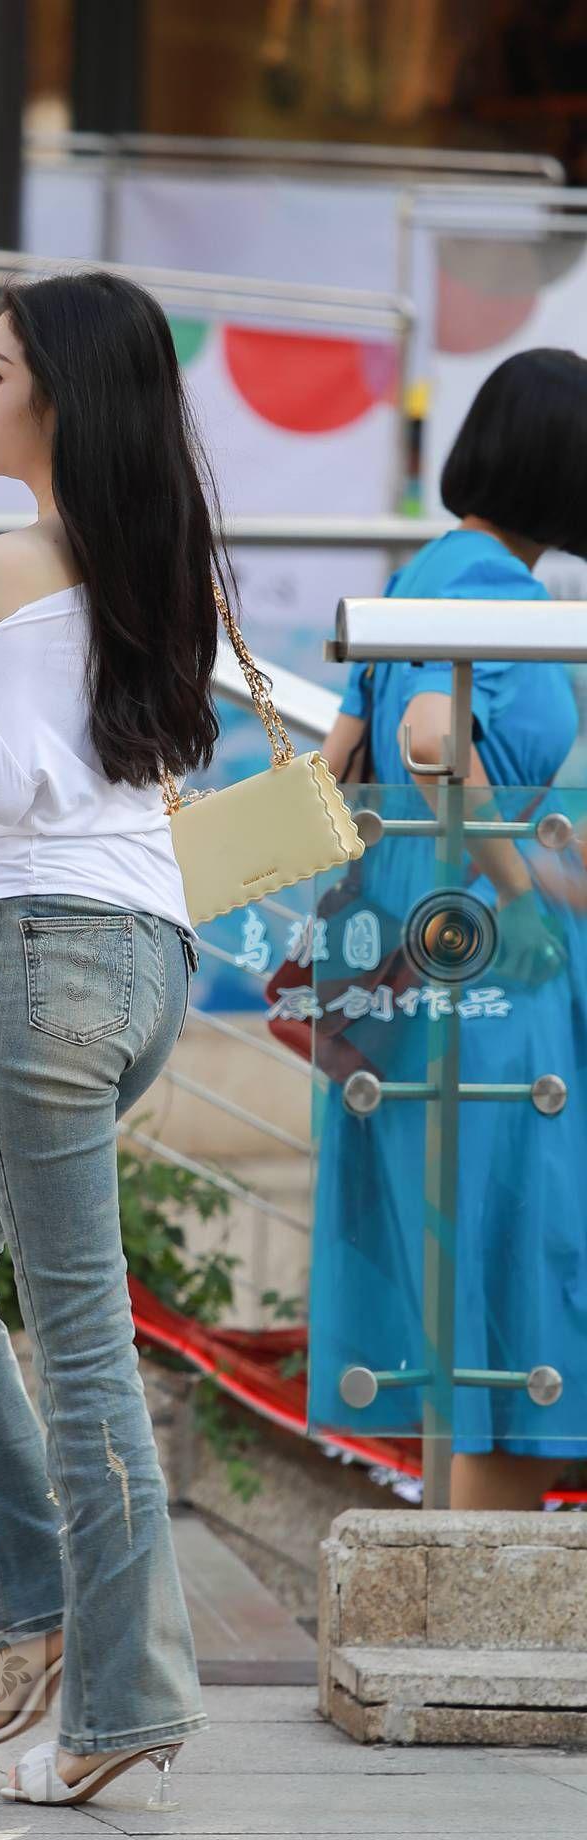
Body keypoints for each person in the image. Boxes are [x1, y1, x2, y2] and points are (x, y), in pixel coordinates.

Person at [0, 269, 230, 1808]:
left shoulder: (11, 562)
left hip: (55, 964)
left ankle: (116, 1702)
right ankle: (30, 1621)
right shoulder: (149, 555)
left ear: (61, 400)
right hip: (145, 960)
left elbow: (6, 778)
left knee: (81, 1349)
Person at [314, 346, 587, 1511]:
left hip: (405, 967)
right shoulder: (499, 595)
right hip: (487, 976)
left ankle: (445, 1584)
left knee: (466, 1318)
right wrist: (519, 894)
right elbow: (431, 741)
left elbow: (345, 761)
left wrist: (539, 862)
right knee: (522, 1328)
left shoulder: (420, 574)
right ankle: (470, 1600)